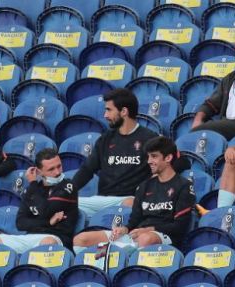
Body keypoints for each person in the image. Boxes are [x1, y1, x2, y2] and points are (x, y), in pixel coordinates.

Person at [72, 88, 189, 217]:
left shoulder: (149, 138)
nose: (105, 115)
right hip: (102, 201)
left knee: (129, 204)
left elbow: (182, 161)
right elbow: (87, 170)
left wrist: (157, 177)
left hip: (130, 200)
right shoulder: (105, 139)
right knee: (64, 205)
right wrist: (67, 192)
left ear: (124, 111)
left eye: (109, 110)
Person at [73, 136, 196, 252]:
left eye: (154, 156)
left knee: (145, 239)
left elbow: (180, 226)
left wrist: (149, 229)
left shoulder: (184, 186)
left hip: (164, 237)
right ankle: (108, 262)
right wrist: (124, 229)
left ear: (168, 158)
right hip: (137, 234)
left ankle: (121, 256)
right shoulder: (144, 186)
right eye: (148, 157)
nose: (149, 161)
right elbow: (134, 220)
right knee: (81, 239)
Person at [0, 149, 78, 253]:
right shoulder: (33, 190)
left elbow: (44, 210)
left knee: (47, 243)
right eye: (51, 169)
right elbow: (21, 223)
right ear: (38, 172)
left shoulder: (68, 187)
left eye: (59, 166)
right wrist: (48, 222)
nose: (57, 172)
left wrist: (32, 183)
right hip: (29, 238)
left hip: (56, 238)